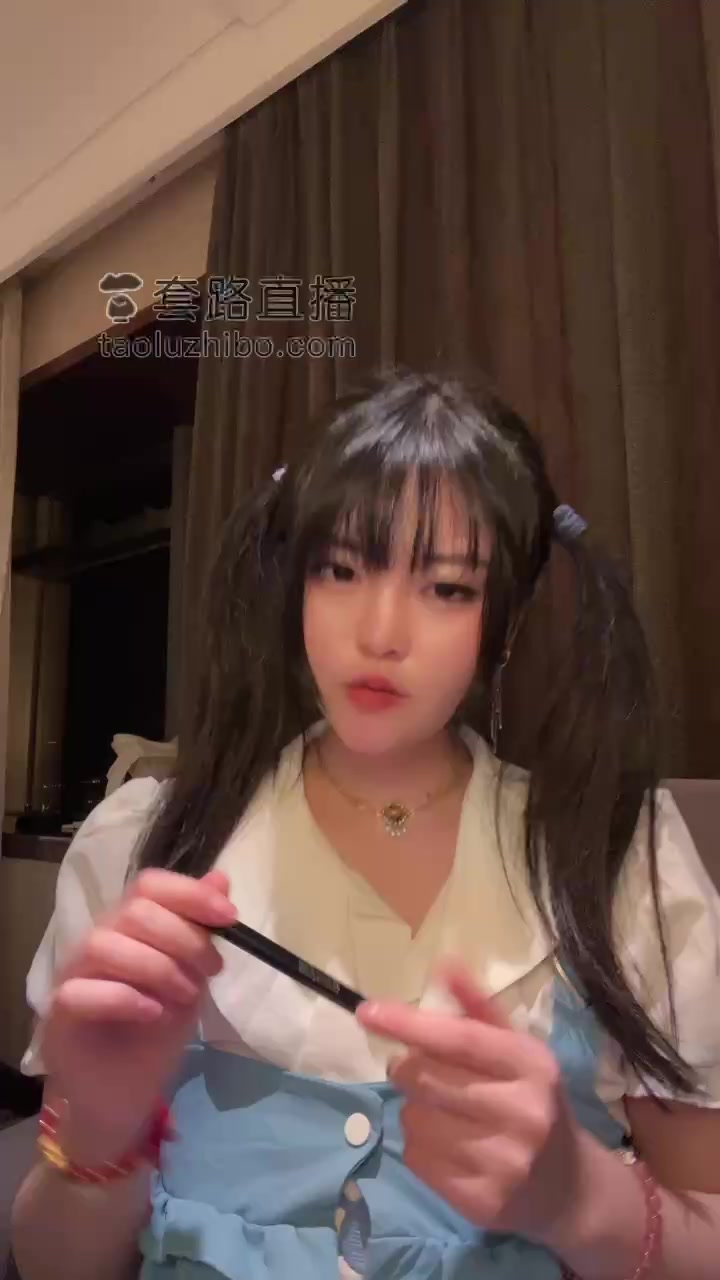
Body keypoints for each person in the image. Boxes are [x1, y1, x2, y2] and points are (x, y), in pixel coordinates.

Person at [10, 372, 720, 1280]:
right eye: (340, 570)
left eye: (447, 588)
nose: (381, 632)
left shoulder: (619, 857)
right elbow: (55, 1265)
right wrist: (98, 1140)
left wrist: (584, 1200)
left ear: (504, 624)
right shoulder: (144, 844)